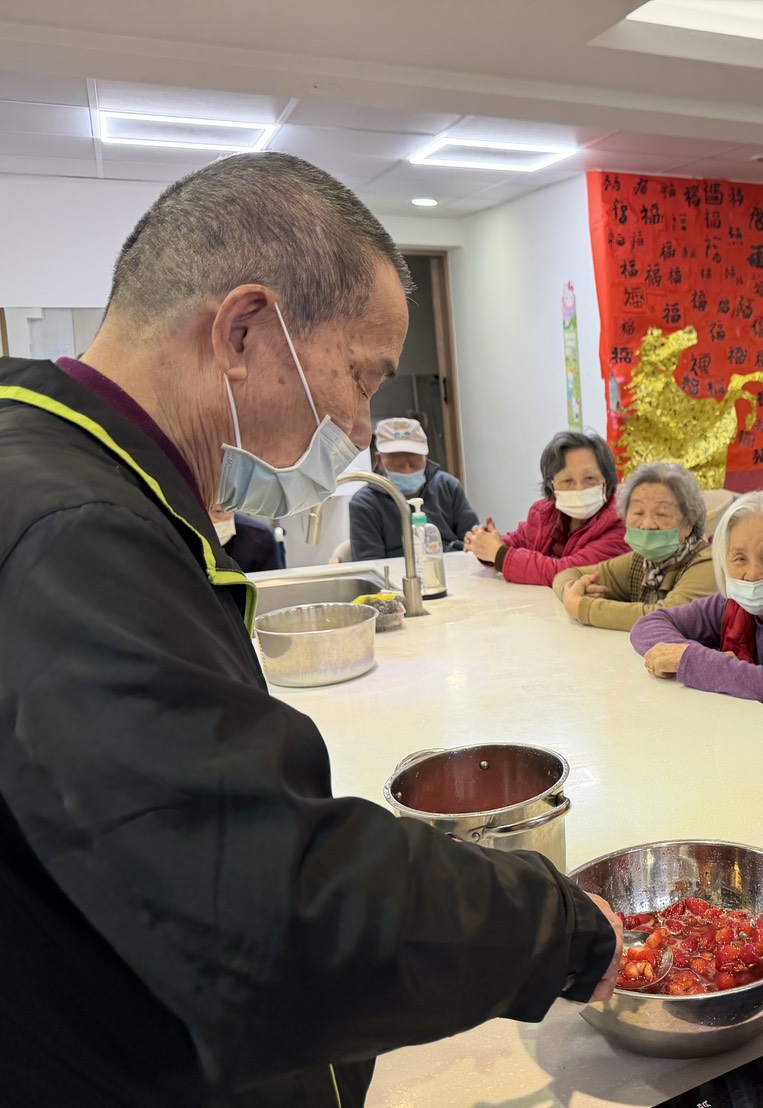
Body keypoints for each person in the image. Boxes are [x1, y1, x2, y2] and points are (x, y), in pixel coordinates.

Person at [0, 152, 621, 1107]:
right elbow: (266, 904)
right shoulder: (73, 533)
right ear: (243, 331)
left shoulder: (59, 463)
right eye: (362, 379)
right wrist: (562, 929)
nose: (363, 429)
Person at [629, 491, 763, 709]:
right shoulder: (733, 604)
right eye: (740, 559)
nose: (753, 574)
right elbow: (649, 624)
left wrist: (695, 661)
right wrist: (689, 655)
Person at [552, 461, 715, 631]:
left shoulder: (707, 564)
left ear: (688, 524)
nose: (647, 524)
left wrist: (583, 607)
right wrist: (572, 590)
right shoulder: (641, 562)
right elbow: (569, 574)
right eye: (638, 512)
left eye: (662, 514)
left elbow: (665, 617)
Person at [466, 429, 628, 585]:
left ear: (607, 481)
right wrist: (485, 542)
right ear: (551, 486)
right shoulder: (545, 512)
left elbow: (569, 573)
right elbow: (519, 541)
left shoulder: (623, 522)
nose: (579, 489)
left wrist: (499, 554)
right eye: (567, 481)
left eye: (590, 478)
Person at [349, 416, 478, 559]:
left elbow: (473, 541)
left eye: (414, 463)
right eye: (398, 464)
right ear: (380, 460)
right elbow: (370, 563)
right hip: (393, 571)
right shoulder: (365, 503)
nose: (407, 470)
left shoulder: (448, 487)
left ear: (426, 458)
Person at [210, 508, 283, 573]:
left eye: (218, 512)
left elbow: (270, 580)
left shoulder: (259, 537)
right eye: (203, 512)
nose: (210, 520)